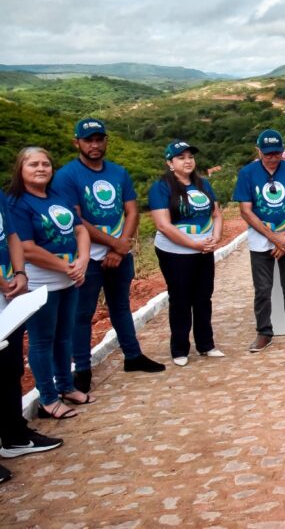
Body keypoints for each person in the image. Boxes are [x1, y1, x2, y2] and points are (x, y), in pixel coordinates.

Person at [52, 118, 164, 393]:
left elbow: (132, 211)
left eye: (99, 139)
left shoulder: (118, 172)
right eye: (88, 140)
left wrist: (119, 248)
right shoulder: (66, 176)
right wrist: (116, 245)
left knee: (121, 306)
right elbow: (76, 220)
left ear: (106, 141)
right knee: (83, 313)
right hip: (87, 256)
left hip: (119, 253)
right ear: (76, 143)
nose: (94, 145)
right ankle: (82, 368)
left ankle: (133, 355)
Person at [7, 147, 91, 419]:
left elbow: (80, 229)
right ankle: (48, 397)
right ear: (20, 169)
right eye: (33, 164)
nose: (41, 168)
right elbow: (26, 248)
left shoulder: (58, 196)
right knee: (42, 341)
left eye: (45, 164)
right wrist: (68, 268)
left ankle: (66, 386)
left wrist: (83, 261)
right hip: (40, 283)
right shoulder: (17, 203)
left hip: (68, 280)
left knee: (64, 336)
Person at [234, 130, 285, 353]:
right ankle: (264, 332)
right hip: (261, 239)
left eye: (277, 153)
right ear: (258, 151)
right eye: (268, 154)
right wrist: (274, 238)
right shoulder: (247, 173)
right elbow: (245, 210)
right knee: (262, 289)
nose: (273, 158)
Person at [0, 191, 63, 483]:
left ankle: (15, 436)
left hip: (9, 293)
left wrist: (20, 273)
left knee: (9, 366)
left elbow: (12, 235)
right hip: (4, 286)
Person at [149, 140, 224, 366]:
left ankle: (206, 344)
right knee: (180, 298)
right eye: (181, 158)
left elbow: (217, 214)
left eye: (190, 157)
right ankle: (180, 349)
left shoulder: (203, 184)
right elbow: (163, 225)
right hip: (175, 252)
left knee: (203, 297)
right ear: (170, 163)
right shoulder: (161, 187)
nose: (187, 161)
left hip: (203, 250)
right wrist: (194, 245)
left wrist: (216, 237)